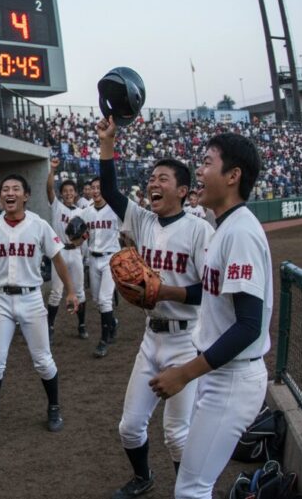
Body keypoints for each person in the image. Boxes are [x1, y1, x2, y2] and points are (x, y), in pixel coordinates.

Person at [148, 133, 272, 499]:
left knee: (191, 489)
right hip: (221, 373)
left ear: (232, 175)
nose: (199, 171)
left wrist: (185, 373)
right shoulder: (225, 226)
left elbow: (248, 326)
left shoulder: (241, 232)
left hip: (233, 378)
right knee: (193, 484)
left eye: (206, 163)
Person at [96, 117, 214, 499]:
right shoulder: (144, 220)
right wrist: (107, 144)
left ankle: (189, 492)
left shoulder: (199, 230)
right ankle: (143, 477)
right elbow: (112, 191)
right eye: (152, 178)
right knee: (129, 427)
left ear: (183, 190)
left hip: (186, 340)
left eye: (163, 178)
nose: (153, 183)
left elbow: (210, 292)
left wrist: (166, 291)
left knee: (177, 434)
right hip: (151, 339)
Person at [0, 174, 79, 435]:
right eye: (5, 189)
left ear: (26, 196)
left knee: (43, 360)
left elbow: (58, 258)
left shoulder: (38, 225)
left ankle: (53, 406)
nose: (9, 193)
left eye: (16, 189)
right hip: (1, 298)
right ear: (0, 197)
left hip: (32, 297)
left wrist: (71, 291)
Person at [45, 157, 88, 340]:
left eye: (71, 190)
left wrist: (81, 240)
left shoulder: (81, 212)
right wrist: (53, 170)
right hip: (60, 251)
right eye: (65, 191)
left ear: (75, 194)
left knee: (79, 291)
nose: (68, 193)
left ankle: (82, 325)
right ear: (61, 194)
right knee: (56, 292)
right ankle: (50, 326)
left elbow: (86, 234)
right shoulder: (57, 207)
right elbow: (48, 189)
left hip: (75, 252)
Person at [80, 177, 121, 358]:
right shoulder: (86, 212)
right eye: (93, 188)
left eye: (99, 187)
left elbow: (129, 230)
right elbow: (78, 233)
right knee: (97, 301)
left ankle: (104, 340)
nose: (96, 191)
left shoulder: (115, 210)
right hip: (93, 258)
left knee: (104, 300)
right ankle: (112, 322)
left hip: (111, 258)